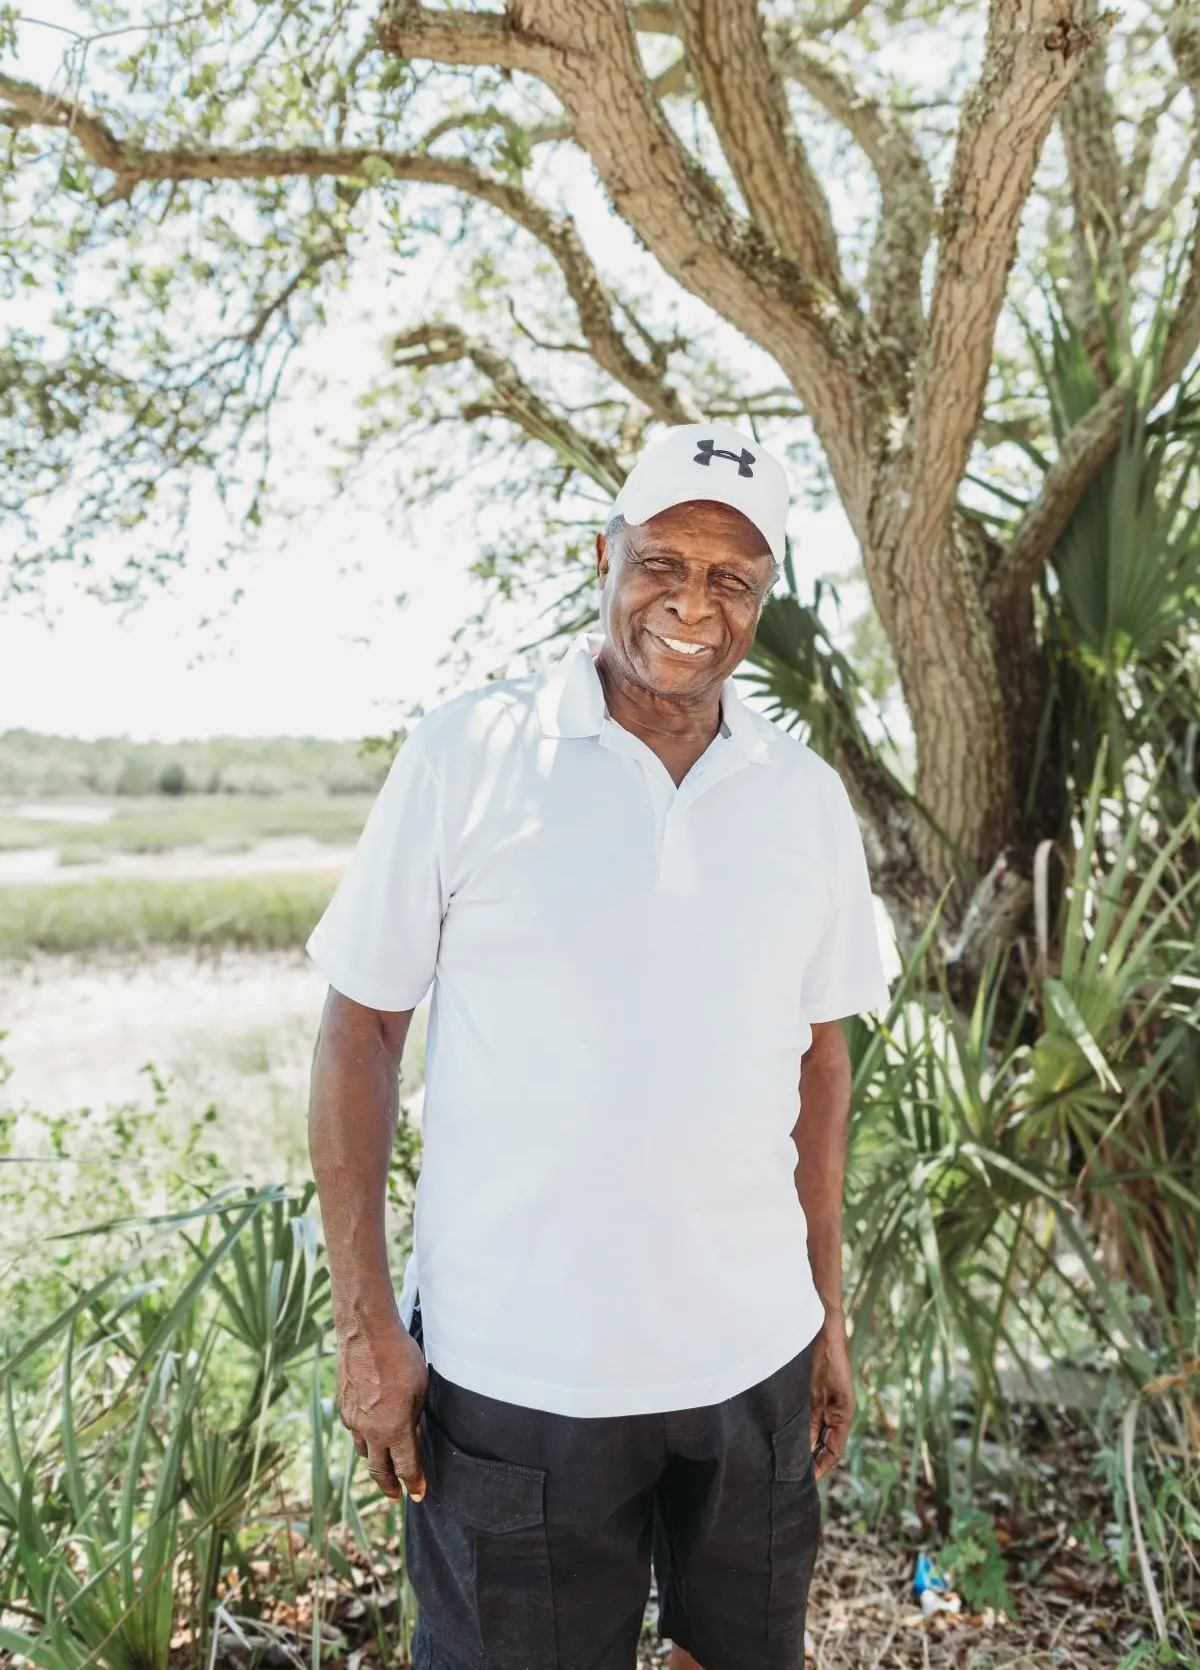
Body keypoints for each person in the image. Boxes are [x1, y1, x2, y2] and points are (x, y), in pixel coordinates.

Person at [307, 420, 890, 1670]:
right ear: (604, 558)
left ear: (765, 600)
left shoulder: (803, 799)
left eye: (731, 578)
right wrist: (367, 1328)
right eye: (662, 562)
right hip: (519, 1384)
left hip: (751, 1369)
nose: (692, 603)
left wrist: (825, 1311)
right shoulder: (467, 754)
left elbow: (818, 1061)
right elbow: (360, 1032)